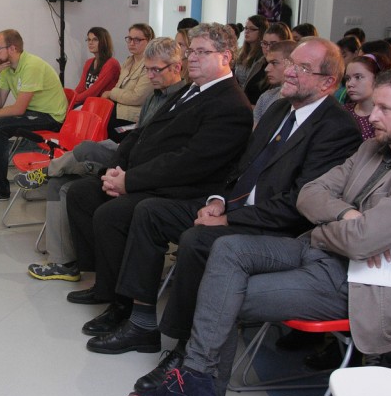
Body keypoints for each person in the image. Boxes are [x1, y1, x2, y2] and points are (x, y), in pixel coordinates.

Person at [129, 68, 391, 396]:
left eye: (384, 108)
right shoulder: (371, 149)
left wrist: (331, 227)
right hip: (316, 251)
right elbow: (309, 194)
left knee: (223, 294)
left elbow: (361, 242)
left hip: (357, 283)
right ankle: (197, 379)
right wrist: (346, 216)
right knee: (225, 247)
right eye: (374, 105)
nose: (371, 115)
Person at [84, 38, 361, 358]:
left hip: (278, 228)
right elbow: (241, 168)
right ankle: (141, 323)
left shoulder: (336, 128)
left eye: (303, 68)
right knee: (149, 213)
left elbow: (299, 202)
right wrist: (217, 201)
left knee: (198, 240)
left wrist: (230, 218)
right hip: (236, 205)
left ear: (327, 82)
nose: (289, 72)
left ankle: (187, 348)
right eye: (291, 63)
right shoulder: (280, 109)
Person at [63, 23, 253, 332]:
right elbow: (144, 131)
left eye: (202, 52)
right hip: (152, 175)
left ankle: (124, 306)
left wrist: (130, 181)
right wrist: (116, 168)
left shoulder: (230, 104)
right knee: (83, 193)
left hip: (186, 190)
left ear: (225, 57)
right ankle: (105, 284)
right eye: (191, 51)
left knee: (114, 213)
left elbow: (189, 163)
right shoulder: (193, 89)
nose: (192, 58)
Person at [25, 38, 189, 282]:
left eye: (156, 70)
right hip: (129, 149)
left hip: (140, 165)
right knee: (61, 184)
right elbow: (139, 131)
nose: (150, 76)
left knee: (87, 149)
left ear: (177, 67)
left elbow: (163, 148)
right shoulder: (156, 96)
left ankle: (48, 170)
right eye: (147, 69)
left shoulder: (183, 100)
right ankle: (62, 262)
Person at [0, 29, 67, 202]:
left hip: (51, 117)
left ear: (12, 48)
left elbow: (19, 109)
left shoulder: (31, 66)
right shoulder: (7, 69)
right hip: (32, 113)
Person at [102, 23, 155, 136]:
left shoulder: (150, 65)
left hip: (132, 117)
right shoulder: (128, 61)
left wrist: (111, 93)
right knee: (91, 117)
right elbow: (120, 88)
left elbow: (137, 97)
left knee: (102, 126)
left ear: (149, 41)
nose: (131, 43)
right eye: (130, 39)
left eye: (137, 40)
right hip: (118, 109)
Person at [343, 52, 391, 140]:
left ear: (377, 78)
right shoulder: (343, 111)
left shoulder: (388, 116)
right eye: (348, 78)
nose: (350, 84)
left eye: (358, 77)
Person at [243, 22, 294, 105]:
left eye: (273, 44)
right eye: (265, 43)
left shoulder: (285, 70)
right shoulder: (259, 62)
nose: (268, 48)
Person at [252, 40, 297, 125]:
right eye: (268, 63)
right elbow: (256, 132)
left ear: (291, 63)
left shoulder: (301, 100)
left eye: (274, 63)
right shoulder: (265, 97)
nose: (267, 69)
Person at [72, 27, 120, 107]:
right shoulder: (88, 62)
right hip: (87, 102)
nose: (90, 43)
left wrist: (74, 100)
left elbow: (94, 91)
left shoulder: (111, 63)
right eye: (89, 40)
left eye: (95, 40)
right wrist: (71, 97)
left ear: (104, 42)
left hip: (102, 106)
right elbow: (81, 87)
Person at [233, 14, 268, 89]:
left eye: (252, 29)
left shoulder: (263, 54)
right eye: (246, 28)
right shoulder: (241, 51)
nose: (247, 31)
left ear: (261, 31)